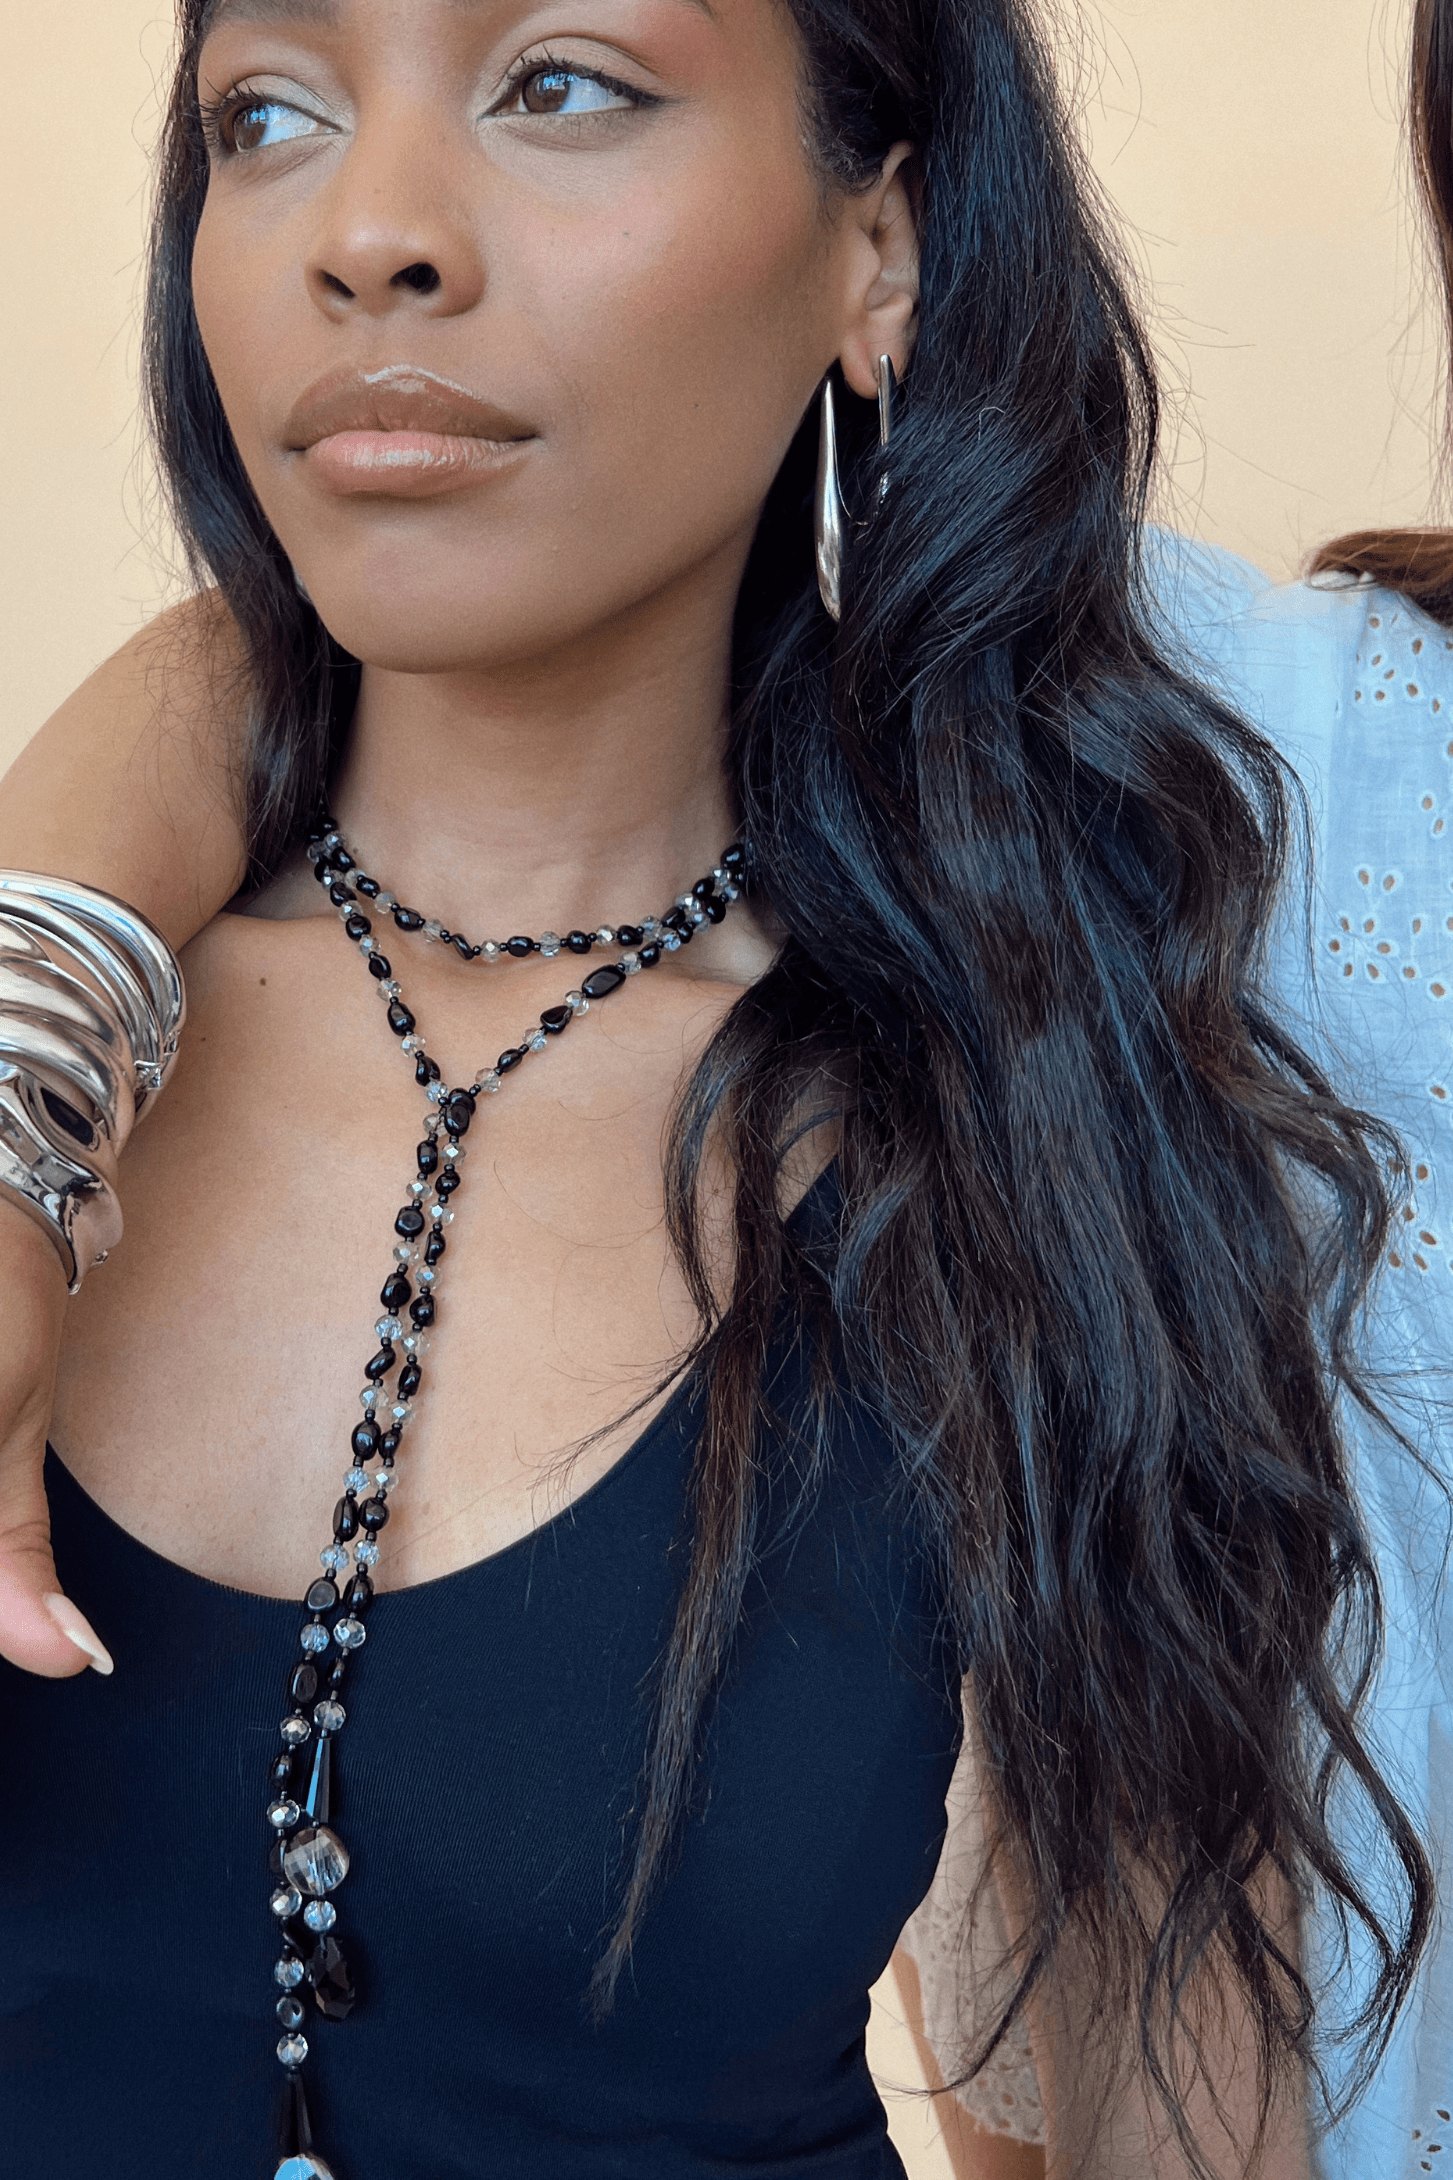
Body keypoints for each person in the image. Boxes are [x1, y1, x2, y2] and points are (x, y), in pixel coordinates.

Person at [0, 0, 1426, 2175]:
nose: (368, 230)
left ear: (882, 248)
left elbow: (1180, 2102)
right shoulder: (69, 1009)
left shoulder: (1040, 1120)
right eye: (264, 114)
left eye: (564, 81)